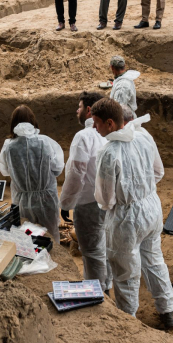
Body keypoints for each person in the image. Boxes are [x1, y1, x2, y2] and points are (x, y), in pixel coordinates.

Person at [91, 98, 173, 328]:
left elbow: (106, 198)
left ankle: (128, 323)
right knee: (154, 259)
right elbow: (158, 172)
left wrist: (121, 203)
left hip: (126, 217)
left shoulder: (108, 152)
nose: (94, 128)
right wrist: (143, 189)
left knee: (125, 272)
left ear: (109, 123)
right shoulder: (143, 136)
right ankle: (167, 310)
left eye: (96, 123)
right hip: (152, 206)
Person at [60, 91, 110, 290]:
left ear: (89, 110)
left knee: (91, 252)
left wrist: (66, 202)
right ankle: (106, 285)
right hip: (109, 200)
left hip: (88, 203)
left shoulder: (83, 136)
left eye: (79, 107)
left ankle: (96, 291)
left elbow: (75, 173)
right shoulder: (109, 133)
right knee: (105, 245)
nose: (77, 110)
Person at [0, 105, 64, 244]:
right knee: (50, 236)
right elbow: (57, 169)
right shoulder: (46, 142)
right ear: (33, 121)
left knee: (27, 236)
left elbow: (5, 171)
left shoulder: (9, 146)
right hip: (47, 199)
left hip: (22, 200)